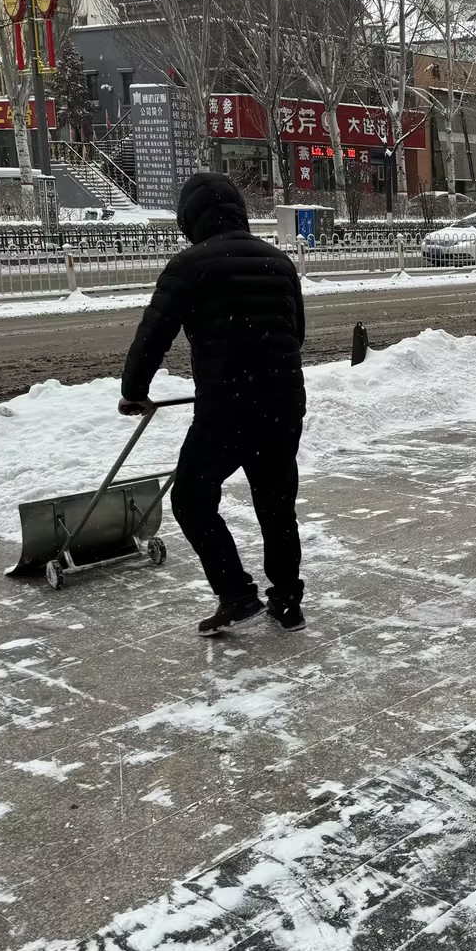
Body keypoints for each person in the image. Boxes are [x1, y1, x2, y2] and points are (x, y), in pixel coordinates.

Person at [119, 173, 307, 637]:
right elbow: (296, 333)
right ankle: (287, 601)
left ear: (190, 218)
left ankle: (236, 593)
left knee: (191, 498)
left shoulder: (189, 265)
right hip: (283, 402)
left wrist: (134, 390)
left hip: (227, 406)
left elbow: (153, 335)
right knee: (276, 504)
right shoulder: (279, 261)